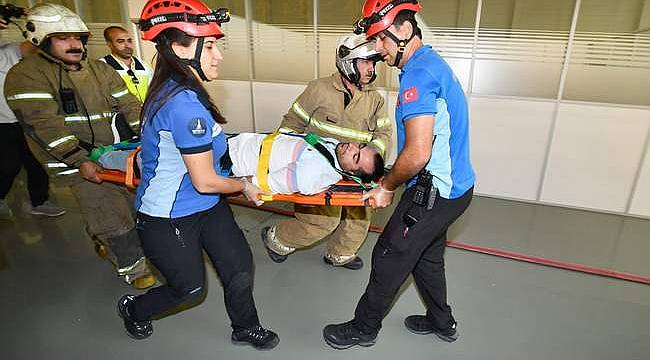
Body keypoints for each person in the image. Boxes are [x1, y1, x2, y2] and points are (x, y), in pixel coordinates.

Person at [116, 0, 279, 349]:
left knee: (239, 266)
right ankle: (134, 310)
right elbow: (205, 179)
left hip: (206, 205)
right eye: (211, 45)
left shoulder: (182, 90)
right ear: (178, 48)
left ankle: (245, 327)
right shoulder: (184, 104)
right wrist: (245, 186)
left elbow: (208, 160)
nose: (218, 55)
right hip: (168, 216)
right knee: (188, 289)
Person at [323, 0, 475, 349]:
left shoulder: (419, 76)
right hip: (455, 189)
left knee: (390, 253)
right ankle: (442, 321)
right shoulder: (427, 65)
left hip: (435, 190)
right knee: (426, 257)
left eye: (381, 39)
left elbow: (419, 154)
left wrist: (387, 186)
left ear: (405, 30)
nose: (378, 50)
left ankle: (364, 328)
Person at [4, 3, 155, 289]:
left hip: (111, 155)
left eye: (78, 38)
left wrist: (148, 136)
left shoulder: (98, 70)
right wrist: (78, 159)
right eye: (63, 38)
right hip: (71, 162)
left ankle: (101, 235)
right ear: (42, 39)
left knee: (134, 205)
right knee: (113, 216)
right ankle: (133, 268)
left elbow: (129, 105)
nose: (74, 44)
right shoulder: (25, 76)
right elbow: (45, 126)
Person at [261, 32, 392, 270]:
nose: (371, 69)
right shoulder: (318, 89)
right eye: (365, 62)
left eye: (373, 62)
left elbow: (384, 135)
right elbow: (292, 123)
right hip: (317, 169)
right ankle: (276, 239)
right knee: (320, 222)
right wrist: (284, 157)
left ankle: (340, 254)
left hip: (355, 171)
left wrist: (369, 160)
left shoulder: (376, 100)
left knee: (359, 217)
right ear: (347, 61)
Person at [95, 132, 384, 195]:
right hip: (232, 141)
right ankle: (126, 145)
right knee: (166, 143)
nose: (352, 148)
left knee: (156, 162)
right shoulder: (334, 149)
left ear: (349, 171)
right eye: (360, 146)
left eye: (356, 156)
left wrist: (228, 183)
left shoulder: (315, 174)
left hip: (225, 161)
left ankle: (104, 158)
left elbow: (266, 184)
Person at [0, 13, 65, 219]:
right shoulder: (5, 54)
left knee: (38, 163)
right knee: (8, 165)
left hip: (31, 122)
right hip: (4, 123)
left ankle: (39, 201)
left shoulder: (46, 64)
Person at [100, 26, 153, 103]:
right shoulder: (102, 66)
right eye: (121, 41)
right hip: (121, 113)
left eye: (129, 41)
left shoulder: (144, 65)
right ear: (109, 44)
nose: (127, 45)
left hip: (145, 112)